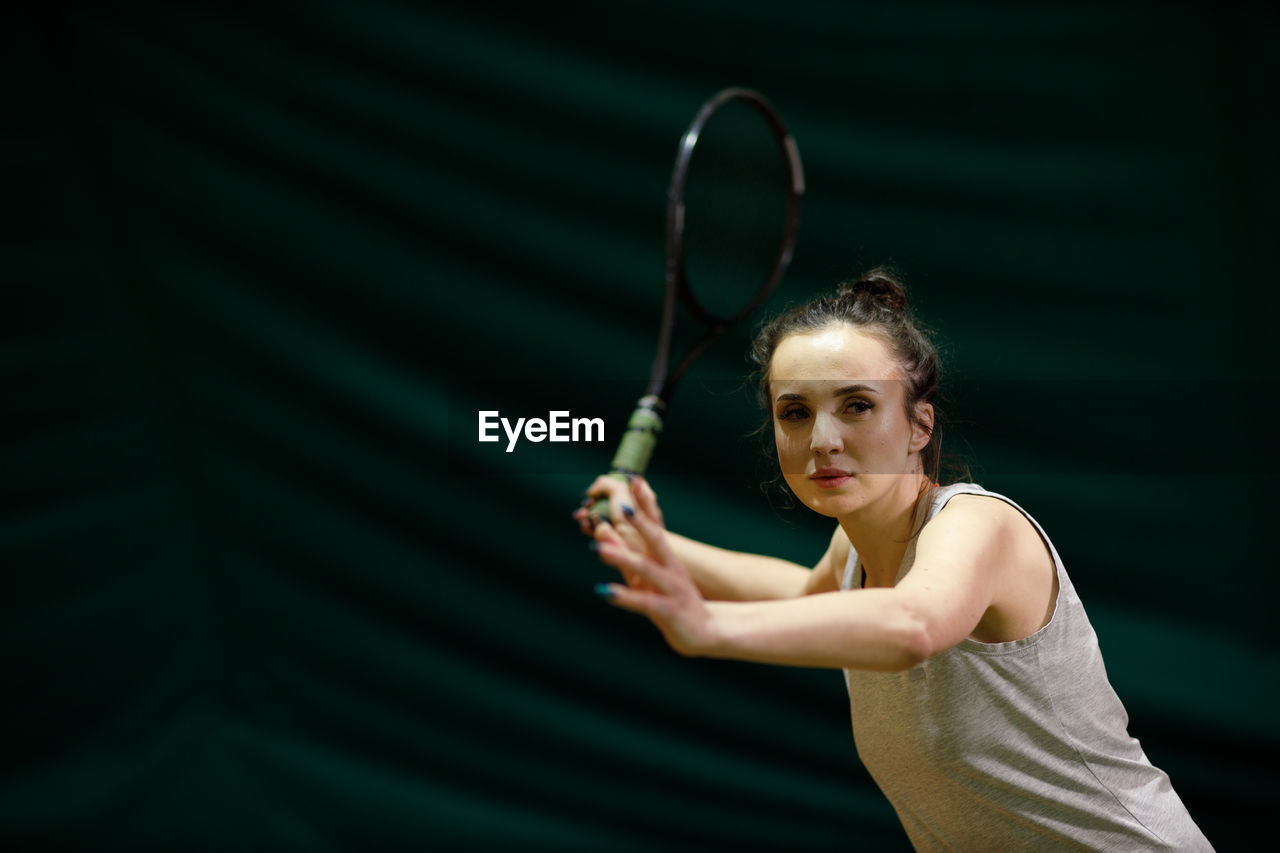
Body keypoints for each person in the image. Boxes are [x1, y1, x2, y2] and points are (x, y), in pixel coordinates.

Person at [572, 269, 1213, 852]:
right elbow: (808, 596)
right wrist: (656, 543)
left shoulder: (980, 525)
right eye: (794, 412)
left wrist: (709, 629)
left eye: (857, 405)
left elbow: (911, 625)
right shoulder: (856, 548)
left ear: (919, 425)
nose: (822, 440)